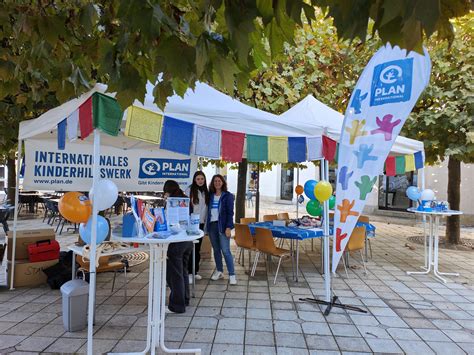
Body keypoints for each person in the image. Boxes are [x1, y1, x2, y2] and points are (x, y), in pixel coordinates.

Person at [163, 180, 193, 313]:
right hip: (187, 240)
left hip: (176, 242)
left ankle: (177, 305)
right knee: (183, 272)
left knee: (175, 275)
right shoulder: (185, 200)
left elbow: (168, 222)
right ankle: (185, 299)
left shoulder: (172, 202)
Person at [206, 174, 237, 285]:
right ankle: (219, 271)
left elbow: (230, 213)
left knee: (226, 250)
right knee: (216, 250)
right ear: (212, 183)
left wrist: (228, 227)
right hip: (212, 226)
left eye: (219, 181)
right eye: (215, 181)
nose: (217, 183)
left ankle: (232, 274)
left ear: (223, 182)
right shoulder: (210, 195)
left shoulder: (227, 196)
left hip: (223, 226)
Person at [185, 171, 209, 283]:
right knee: (191, 248)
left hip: (201, 223)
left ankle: (195, 272)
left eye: (202, 179)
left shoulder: (206, 191)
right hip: (192, 223)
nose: (200, 181)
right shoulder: (189, 190)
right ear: (194, 180)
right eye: (198, 179)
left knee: (197, 249)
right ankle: (189, 272)